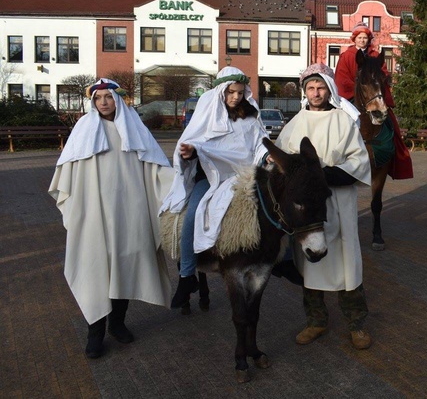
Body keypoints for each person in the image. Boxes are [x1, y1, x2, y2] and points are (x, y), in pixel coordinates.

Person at [48, 78, 173, 359]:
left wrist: (179, 174)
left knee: (124, 265)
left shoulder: (134, 128)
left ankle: (117, 323)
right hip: (94, 214)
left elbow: (155, 169)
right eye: (98, 98)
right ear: (92, 102)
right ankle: (95, 332)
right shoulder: (84, 129)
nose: (103, 102)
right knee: (95, 268)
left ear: (119, 99)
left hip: (129, 212)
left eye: (108, 97)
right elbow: (68, 173)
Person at [276, 63, 373, 350]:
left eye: (320, 87)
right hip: (307, 211)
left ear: (328, 89)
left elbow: (358, 162)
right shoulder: (295, 123)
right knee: (311, 265)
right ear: (304, 91)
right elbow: (284, 162)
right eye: (310, 88)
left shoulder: (343, 121)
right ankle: (316, 321)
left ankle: (357, 325)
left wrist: (324, 175)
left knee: (347, 263)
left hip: (338, 201)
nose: (316, 92)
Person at [160, 66, 268, 308]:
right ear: (221, 92)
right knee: (192, 215)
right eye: (231, 92)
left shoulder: (250, 117)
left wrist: (266, 155)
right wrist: (189, 152)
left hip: (244, 175)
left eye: (240, 93)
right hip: (210, 179)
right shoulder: (206, 118)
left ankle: (280, 258)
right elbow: (193, 143)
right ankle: (186, 276)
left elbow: (258, 143)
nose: (236, 97)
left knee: (273, 206)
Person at [334, 21, 413, 180]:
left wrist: (377, 84)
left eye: (365, 38)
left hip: (373, 94)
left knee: (391, 122)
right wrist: (358, 89)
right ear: (354, 39)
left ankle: (396, 154)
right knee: (337, 120)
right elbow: (341, 79)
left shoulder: (375, 55)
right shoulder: (346, 56)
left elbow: (382, 74)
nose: (362, 40)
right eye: (360, 37)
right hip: (352, 96)